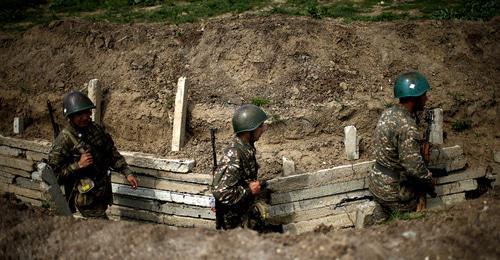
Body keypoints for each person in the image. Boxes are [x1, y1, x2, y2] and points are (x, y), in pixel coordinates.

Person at [48, 90, 138, 218]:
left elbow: (110, 152)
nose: (85, 117)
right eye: (79, 114)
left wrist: (127, 172)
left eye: (87, 112)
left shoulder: (95, 129)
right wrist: (78, 165)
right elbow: (54, 177)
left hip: (102, 190)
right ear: (71, 116)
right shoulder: (63, 141)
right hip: (85, 197)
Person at [368, 71, 435, 219]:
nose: (426, 98)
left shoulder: (388, 113)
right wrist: (430, 182)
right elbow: (414, 168)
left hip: (376, 184)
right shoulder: (407, 127)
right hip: (393, 192)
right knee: (420, 202)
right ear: (414, 98)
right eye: (424, 95)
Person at [211, 104, 274, 231]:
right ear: (248, 130)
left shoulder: (246, 148)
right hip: (233, 225)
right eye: (260, 126)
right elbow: (221, 192)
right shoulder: (234, 154)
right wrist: (249, 190)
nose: (263, 129)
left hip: (244, 218)